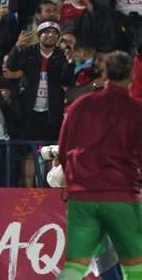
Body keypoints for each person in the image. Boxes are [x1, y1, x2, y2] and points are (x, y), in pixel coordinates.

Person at [57, 51, 142, 280]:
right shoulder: (136, 110)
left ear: (104, 74)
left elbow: (63, 150)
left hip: (82, 197)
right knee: (134, 265)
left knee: (76, 265)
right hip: (120, 195)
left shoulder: (79, 106)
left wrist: (73, 181)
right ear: (132, 76)